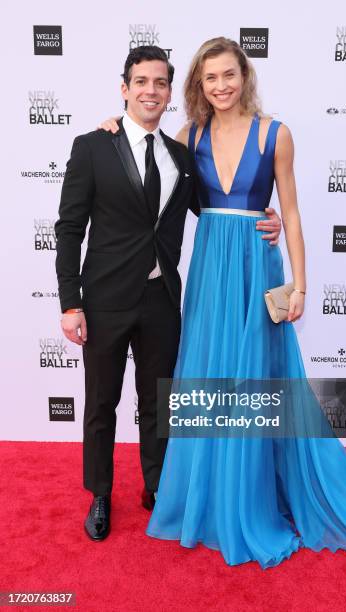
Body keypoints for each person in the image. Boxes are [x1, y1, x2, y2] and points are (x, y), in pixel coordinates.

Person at [143, 37, 346, 567]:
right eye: (209, 77)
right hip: (210, 267)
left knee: (254, 379)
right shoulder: (187, 135)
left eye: (228, 75)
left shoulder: (275, 134)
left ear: (245, 76)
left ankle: (251, 498)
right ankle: (208, 497)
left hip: (256, 266)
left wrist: (302, 286)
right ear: (199, 83)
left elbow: (289, 210)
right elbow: (153, 175)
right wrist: (111, 124)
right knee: (208, 375)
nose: (220, 86)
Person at [55, 45, 281, 542]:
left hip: (162, 299)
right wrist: (70, 302)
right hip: (105, 299)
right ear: (125, 89)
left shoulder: (181, 154)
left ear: (169, 92)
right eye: (141, 82)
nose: (150, 91)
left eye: (160, 83)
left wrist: (265, 218)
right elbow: (69, 229)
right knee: (101, 404)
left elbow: (219, 204)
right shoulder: (91, 146)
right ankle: (100, 494)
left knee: (160, 401)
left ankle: (158, 487)